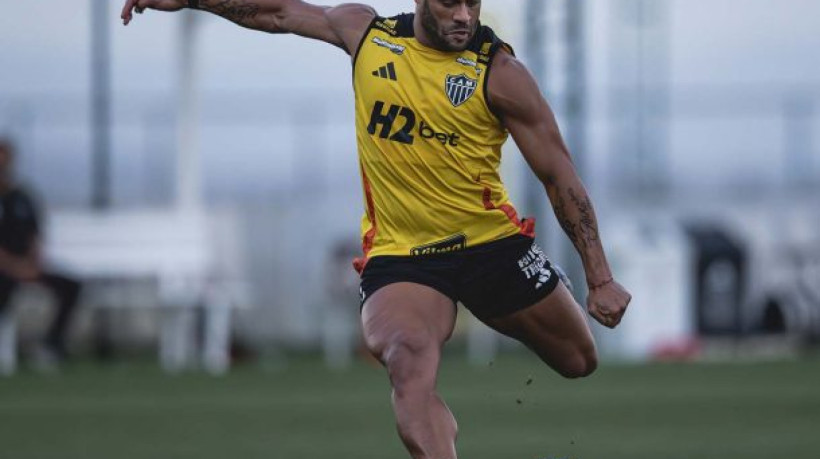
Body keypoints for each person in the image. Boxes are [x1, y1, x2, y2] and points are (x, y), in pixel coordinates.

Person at [122, 1, 632, 457]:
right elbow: (277, 13)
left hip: (490, 244)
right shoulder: (366, 34)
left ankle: (545, 290)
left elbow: (557, 172)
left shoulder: (499, 73)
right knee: (407, 363)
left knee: (578, 360)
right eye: (450, 2)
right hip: (403, 257)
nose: (464, 16)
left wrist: (600, 276)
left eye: (472, 3)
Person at [0, 138, 82, 368]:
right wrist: (16, 268)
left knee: (70, 286)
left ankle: (51, 346)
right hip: (6, 270)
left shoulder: (22, 197)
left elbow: (35, 236)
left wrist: (32, 264)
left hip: (27, 268)